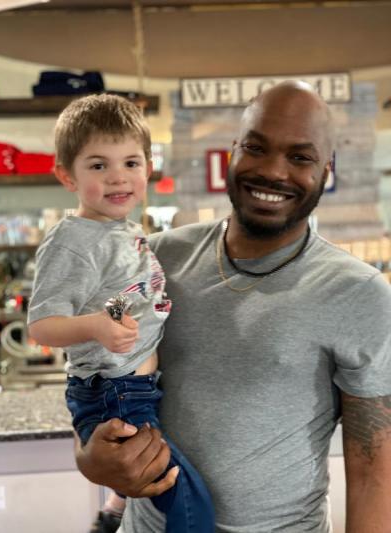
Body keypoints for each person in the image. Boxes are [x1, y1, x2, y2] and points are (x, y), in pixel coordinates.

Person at [74, 81, 391, 533]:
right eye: (256, 148)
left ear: (325, 170)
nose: (274, 172)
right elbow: (91, 370)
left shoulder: (357, 293)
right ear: (232, 154)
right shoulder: (151, 260)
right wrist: (88, 456)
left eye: (300, 157)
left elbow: (373, 473)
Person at [27, 94, 215, 533]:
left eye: (131, 163)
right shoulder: (73, 241)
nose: (118, 177)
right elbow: (41, 326)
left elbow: (118, 302)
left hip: (139, 388)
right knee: (191, 506)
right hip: (118, 393)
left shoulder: (125, 231)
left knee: (160, 496)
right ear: (65, 175)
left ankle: (112, 514)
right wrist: (95, 327)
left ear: (149, 168)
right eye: (98, 165)